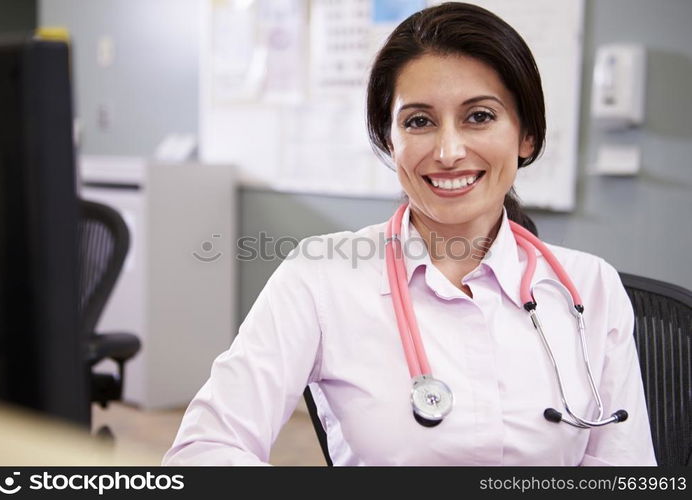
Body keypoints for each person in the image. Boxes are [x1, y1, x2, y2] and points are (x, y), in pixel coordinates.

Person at [163, 2, 656, 466]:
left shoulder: (590, 287)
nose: (447, 151)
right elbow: (204, 451)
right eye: (419, 121)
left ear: (526, 135)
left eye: (479, 116)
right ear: (388, 140)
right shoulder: (320, 278)